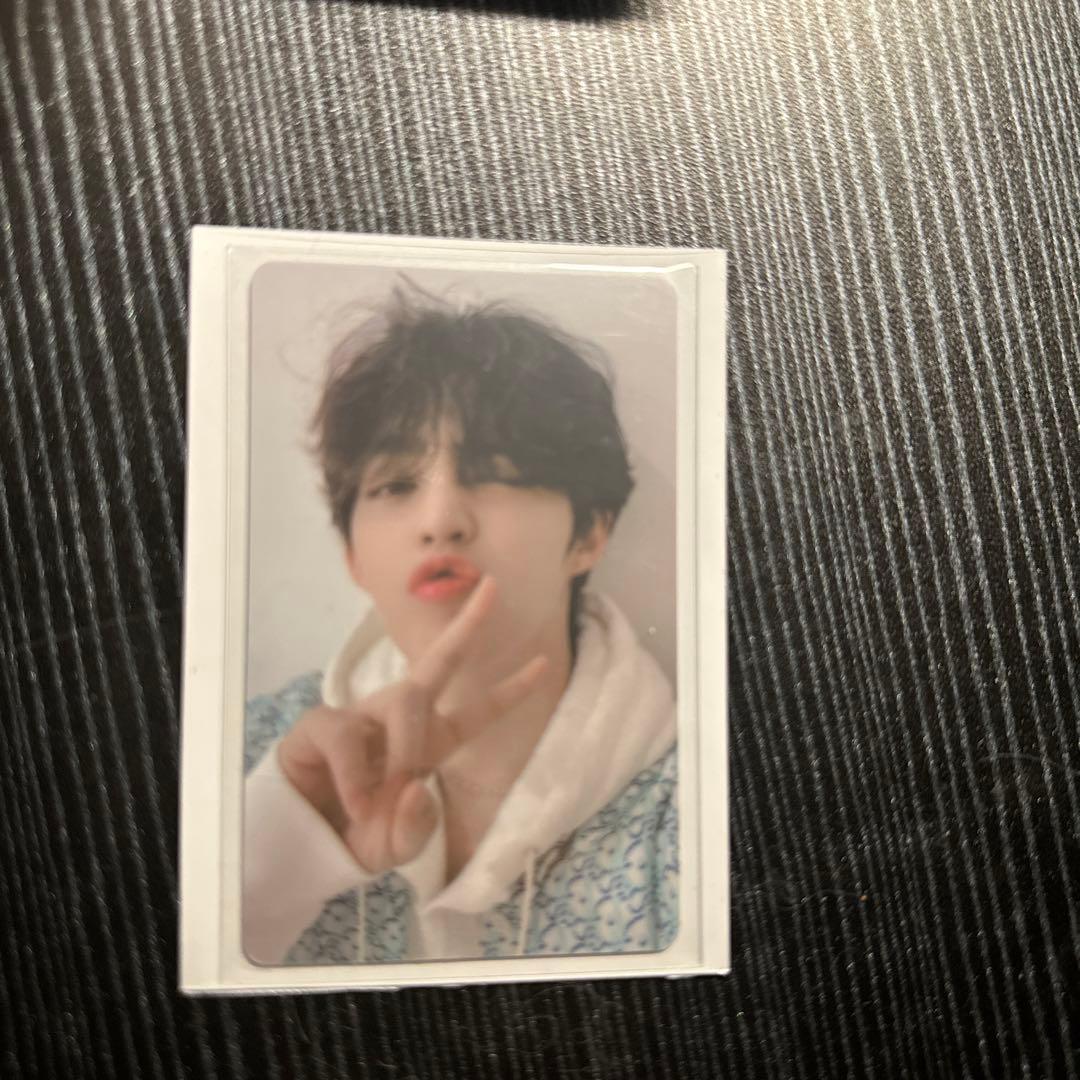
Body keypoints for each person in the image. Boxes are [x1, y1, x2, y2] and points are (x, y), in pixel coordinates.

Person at [242, 286, 677, 964]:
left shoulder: (698, 804)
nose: (440, 519)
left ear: (590, 535)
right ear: (353, 555)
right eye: (395, 485)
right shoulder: (248, 754)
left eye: (493, 471)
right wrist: (279, 847)